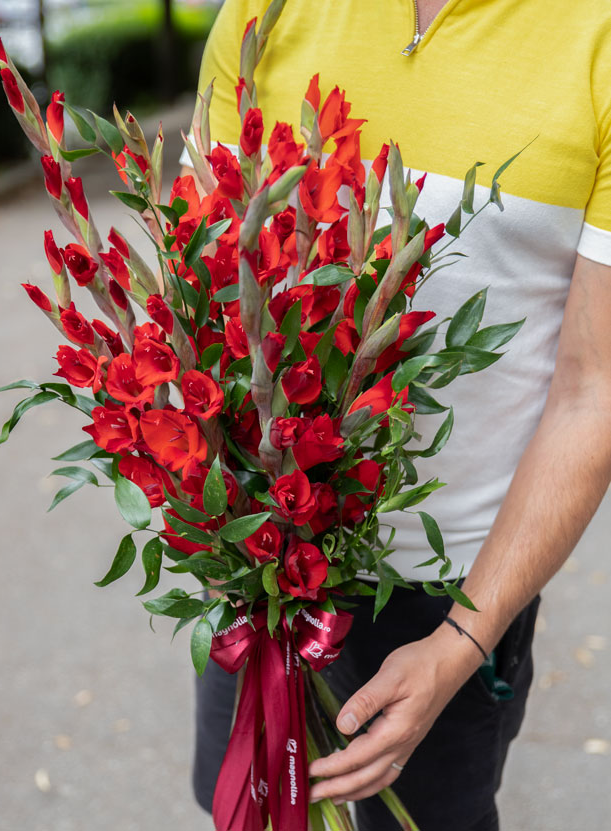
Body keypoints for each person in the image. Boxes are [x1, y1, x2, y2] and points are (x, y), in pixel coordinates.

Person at [180, 1, 611, 828]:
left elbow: (593, 389)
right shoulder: (264, 12)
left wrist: (458, 644)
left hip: (448, 602)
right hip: (260, 568)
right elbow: (213, 304)